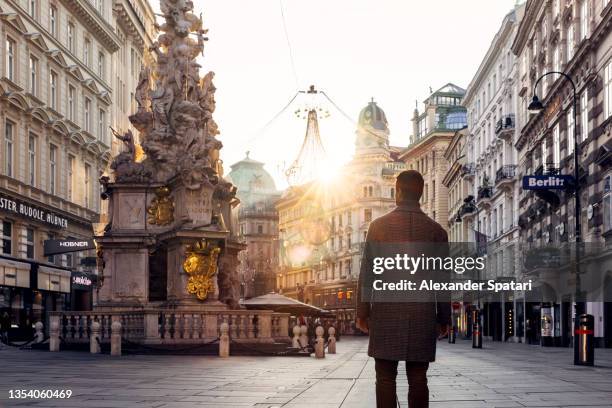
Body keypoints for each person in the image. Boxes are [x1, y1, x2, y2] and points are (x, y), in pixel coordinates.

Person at [357, 170, 450, 408]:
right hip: (422, 314)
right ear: (420, 193)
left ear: (397, 192)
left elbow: (367, 273)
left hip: (385, 313)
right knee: (419, 378)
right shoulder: (437, 232)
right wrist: (444, 318)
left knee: (385, 378)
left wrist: (362, 312)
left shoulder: (377, 227)